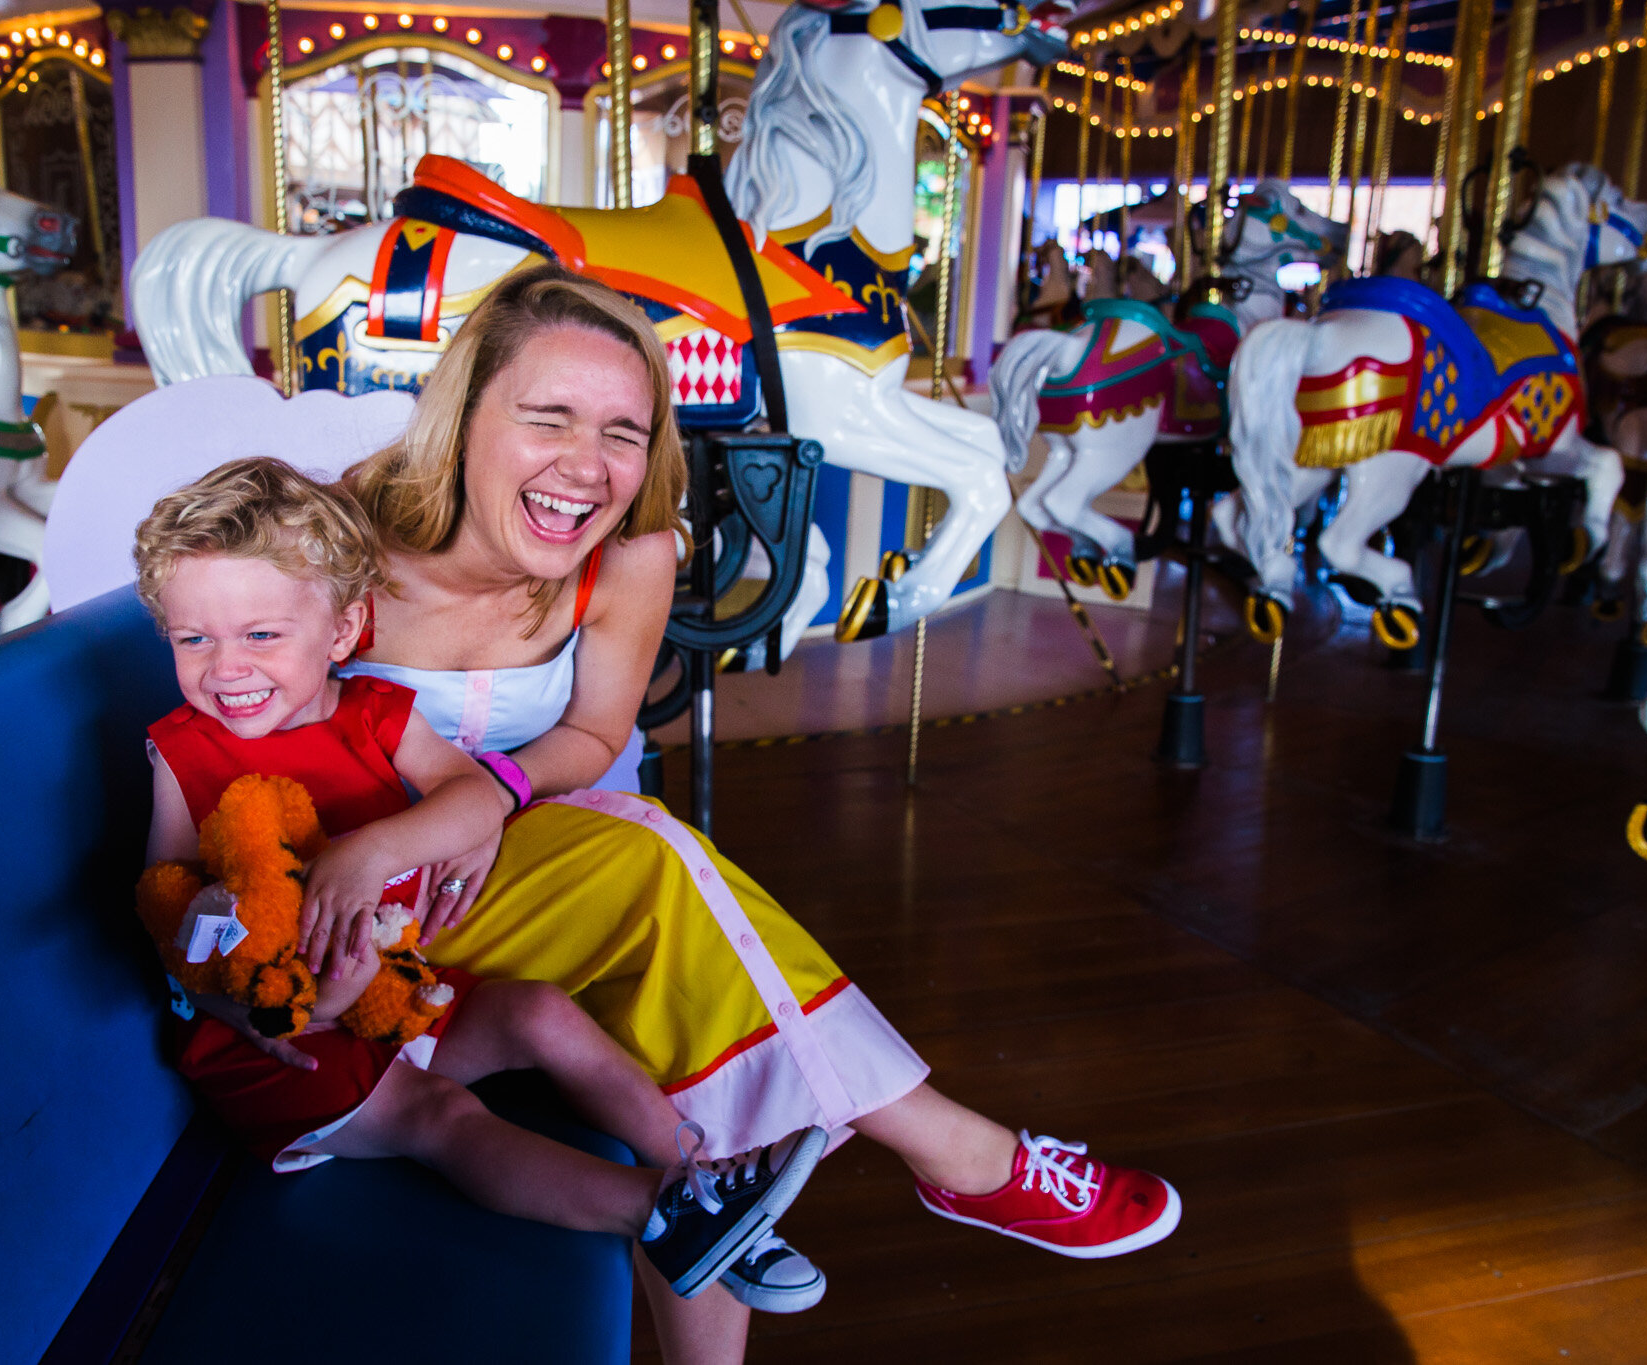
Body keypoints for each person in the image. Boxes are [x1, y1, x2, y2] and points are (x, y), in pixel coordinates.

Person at [310, 265, 1183, 1353]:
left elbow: (587, 742)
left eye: (624, 432)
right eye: (548, 418)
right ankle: (954, 1150)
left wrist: (484, 803)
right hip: (364, 921)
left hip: (538, 893)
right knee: (659, 859)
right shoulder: (338, 545)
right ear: (463, 417)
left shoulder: (628, 555)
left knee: (690, 1075)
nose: (586, 467)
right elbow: (236, 736)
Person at [133, 456, 828, 1326]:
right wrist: (252, 1007)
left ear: (344, 629)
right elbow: (167, 899)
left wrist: (373, 851)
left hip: (397, 993)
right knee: (446, 1118)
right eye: (192, 639)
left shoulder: (376, 712)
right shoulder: (183, 748)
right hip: (283, 1045)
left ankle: (703, 1176)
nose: (224, 667)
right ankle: (658, 1211)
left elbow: (472, 794)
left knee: (539, 1012)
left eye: (260, 635)